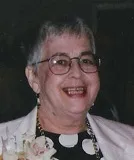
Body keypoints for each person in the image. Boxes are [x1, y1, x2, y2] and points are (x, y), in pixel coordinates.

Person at [0, 15, 134, 160]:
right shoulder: (3, 143)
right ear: (34, 77)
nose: (77, 72)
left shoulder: (129, 141)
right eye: (61, 62)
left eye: (86, 60)